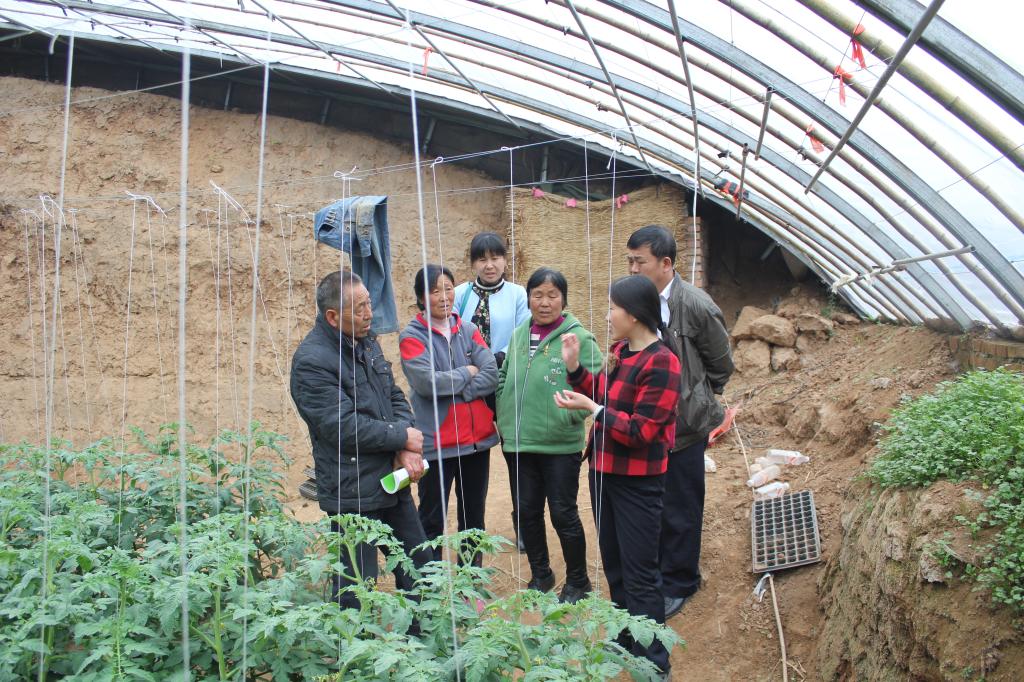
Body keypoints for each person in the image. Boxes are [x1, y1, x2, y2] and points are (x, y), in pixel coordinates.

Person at [555, 275, 682, 679]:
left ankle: (654, 661)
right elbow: (603, 395)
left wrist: (592, 409)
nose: (608, 316)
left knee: (641, 573)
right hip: (604, 474)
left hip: (638, 482)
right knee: (615, 565)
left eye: (613, 309)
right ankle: (627, 637)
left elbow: (642, 431)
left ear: (635, 314)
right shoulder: (622, 352)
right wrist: (574, 368)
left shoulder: (662, 362)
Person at [290, 269, 432, 609]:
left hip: (390, 480)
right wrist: (402, 436)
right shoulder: (312, 361)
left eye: (369, 303)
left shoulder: (365, 342)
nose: (370, 313)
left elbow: (394, 395)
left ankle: (423, 635)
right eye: (360, 308)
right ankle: (355, 642)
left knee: (419, 568)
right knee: (357, 586)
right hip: (352, 491)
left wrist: (405, 446)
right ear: (332, 316)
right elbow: (342, 427)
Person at [626, 224, 735, 619]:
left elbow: (721, 363)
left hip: (686, 426)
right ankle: (658, 570)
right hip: (650, 423)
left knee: (681, 505)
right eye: (630, 261)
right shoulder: (639, 301)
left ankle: (680, 581)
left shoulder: (695, 305)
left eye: (640, 261)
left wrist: (694, 396)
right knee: (654, 502)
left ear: (666, 263)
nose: (633, 268)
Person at [495, 268, 603, 603]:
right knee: (526, 512)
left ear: (563, 299)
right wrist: (504, 411)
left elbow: (597, 389)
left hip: (559, 445)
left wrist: (566, 417)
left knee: (562, 513)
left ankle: (578, 581)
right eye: (537, 295)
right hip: (519, 443)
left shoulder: (580, 338)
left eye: (552, 295)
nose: (544, 302)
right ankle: (541, 574)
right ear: (528, 298)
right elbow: (503, 376)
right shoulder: (519, 334)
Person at [399, 264, 499, 564]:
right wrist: (468, 372)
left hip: (476, 442)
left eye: (448, 288)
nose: (444, 296)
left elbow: (492, 374)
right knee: (431, 518)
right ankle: (429, 581)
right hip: (437, 443)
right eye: (435, 291)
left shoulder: (468, 330)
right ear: (421, 297)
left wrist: (461, 389)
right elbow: (427, 384)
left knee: (473, 518)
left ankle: (471, 578)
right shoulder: (412, 337)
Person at [453, 231, 530, 551]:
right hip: (470, 386)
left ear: (505, 260)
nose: (489, 265)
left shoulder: (518, 294)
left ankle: (523, 524)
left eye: (496, 257)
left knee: (516, 454)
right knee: (471, 457)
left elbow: (523, 334)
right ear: (473, 263)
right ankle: (472, 529)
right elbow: (452, 333)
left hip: (505, 381)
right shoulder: (459, 293)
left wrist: (497, 360)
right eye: (482, 259)